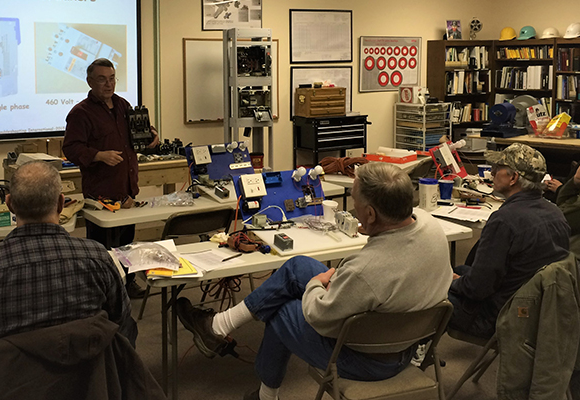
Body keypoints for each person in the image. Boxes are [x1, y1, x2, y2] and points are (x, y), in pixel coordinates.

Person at [176, 163, 453, 400]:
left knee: (282, 309)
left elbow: (318, 315)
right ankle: (219, 326)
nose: (353, 212)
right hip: (411, 342)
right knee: (298, 266)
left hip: (371, 360)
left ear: (371, 214)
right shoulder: (430, 226)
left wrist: (317, 285)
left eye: (356, 205)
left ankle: (264, 394)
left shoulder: (364, 270)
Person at [0, 161, 137, 346]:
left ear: (10, 205)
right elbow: (123, 325)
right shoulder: (98, 257)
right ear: (61, 203)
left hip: (9, 373)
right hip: (90, 372)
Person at [449, 143, 570, 339]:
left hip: (501, 317)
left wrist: (451, 283)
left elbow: (477, 289)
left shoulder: (505, 221)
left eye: (498, 169)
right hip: (539, 310)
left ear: (513, 178)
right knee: (461, 270)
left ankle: (406, 351)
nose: (492, 173)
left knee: (427, 289)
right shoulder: (555, 212)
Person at [62, 58, 159, 298]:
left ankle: (127, 283)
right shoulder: (80, 113)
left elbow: (139, 134)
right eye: (102, 79)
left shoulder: (123, 105)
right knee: (101, 246)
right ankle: (103, 290)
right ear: (89, 81)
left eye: (112, 78)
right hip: (101, 191)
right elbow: (71, 148)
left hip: (126, 187)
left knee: (127, 240)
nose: (109, 84)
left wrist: (151, 136)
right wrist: (98, 155)